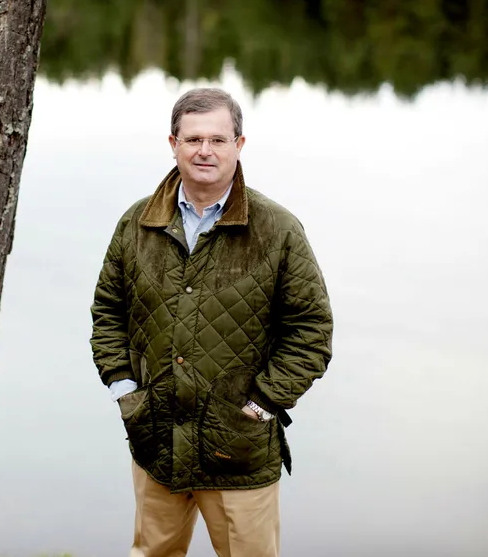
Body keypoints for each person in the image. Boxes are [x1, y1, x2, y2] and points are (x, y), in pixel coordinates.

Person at [89, 87, 334, 557]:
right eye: (194, 139)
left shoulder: (278, 229)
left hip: (239, 450)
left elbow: (311, 332)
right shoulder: (135, 223)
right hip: (155, 438)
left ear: (239, 146)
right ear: (173, 143)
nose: (205, 151)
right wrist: (125, 390)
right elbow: (108, 313)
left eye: (218, 140)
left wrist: (263, 405)